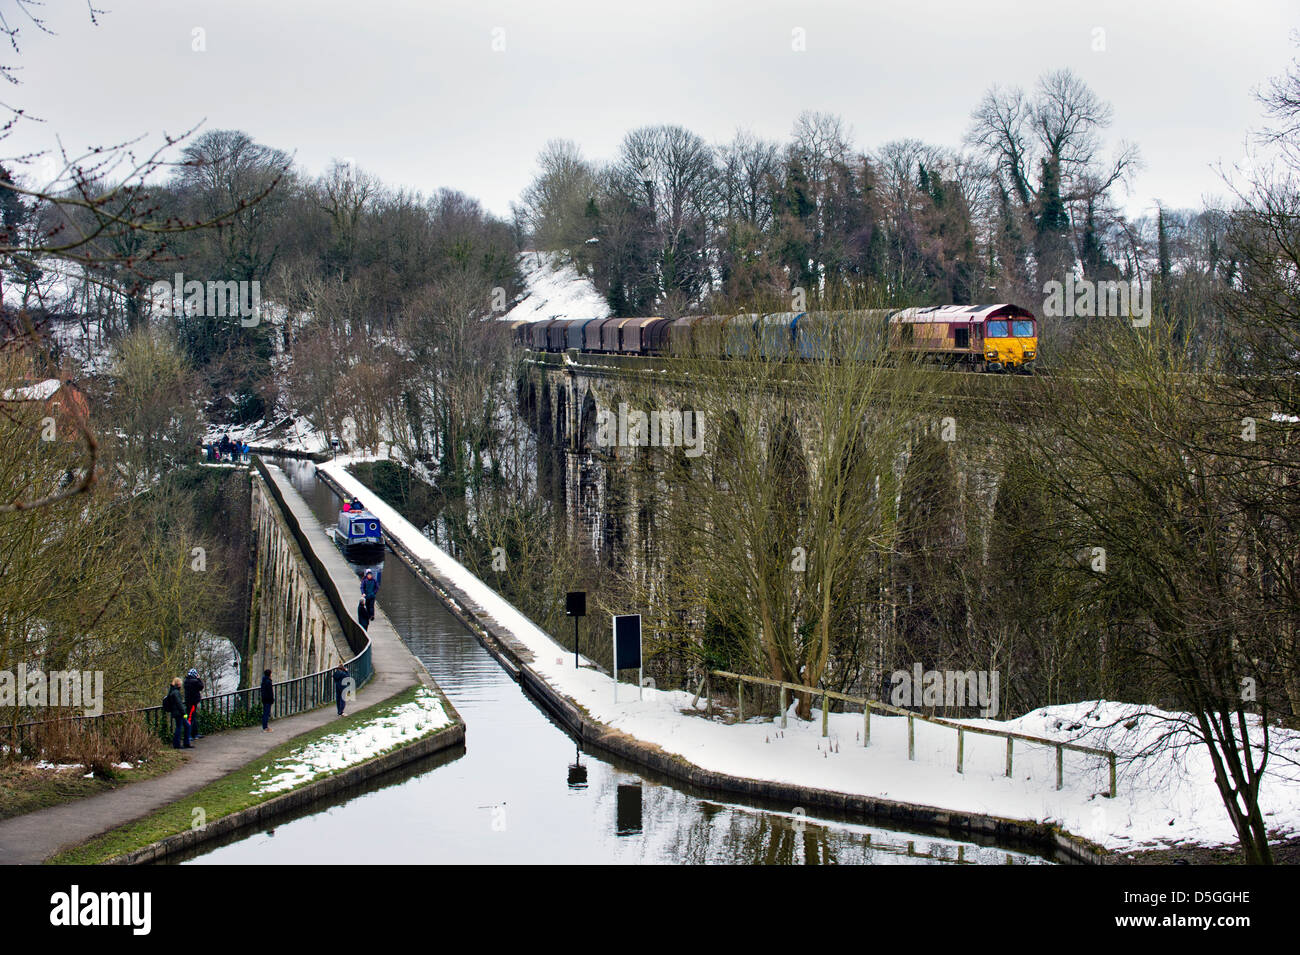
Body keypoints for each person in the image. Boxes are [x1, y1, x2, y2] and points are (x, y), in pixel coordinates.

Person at [165, 677, 192, 749]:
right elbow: (179, 704)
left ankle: (182, 743)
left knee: (183, 726)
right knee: (181, 727)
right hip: (179, 713)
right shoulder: (176, 692)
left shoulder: (172, 691)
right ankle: (179, 744)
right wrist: (184, 713)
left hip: (176, 712)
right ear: (178, 683)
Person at [183, 668, 205, 740]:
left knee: (192, 718)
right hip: (192, 702)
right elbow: (201, 686)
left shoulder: (186, 681)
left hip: (189, 702)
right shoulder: (194, 681)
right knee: (191, 718)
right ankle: (190, 735)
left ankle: (193, 734)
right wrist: (199, 679)